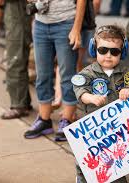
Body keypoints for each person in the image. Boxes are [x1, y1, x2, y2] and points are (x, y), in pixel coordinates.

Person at [72, 24, 129, 183]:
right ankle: (82, 178)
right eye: (103, 50)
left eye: (115, 51)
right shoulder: (88, 73)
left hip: (116, 128)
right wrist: (90, 97)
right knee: (88, 158)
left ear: (122, 52)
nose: (108, 55)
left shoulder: (126, 73)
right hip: (91, 126)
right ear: (94, 49)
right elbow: (79, 89)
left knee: (116, 158)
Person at [23, 0, 86, 141]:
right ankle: (44, 120)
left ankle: (67, 120)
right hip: (40, 24)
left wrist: (76, 28)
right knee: (42, 75)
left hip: (66, 23)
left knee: (67, 75)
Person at [0, 0, 33, 119]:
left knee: (15, 60)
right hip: (15, 11)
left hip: (17, 11)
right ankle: (24, 101)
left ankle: (18, 105)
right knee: (17, 58)